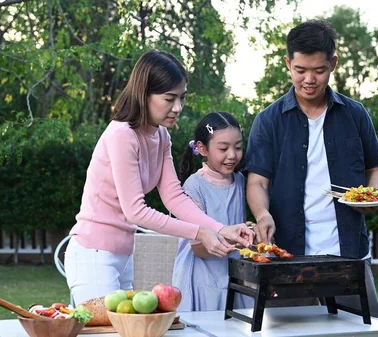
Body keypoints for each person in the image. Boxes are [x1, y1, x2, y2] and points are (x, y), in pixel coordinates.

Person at [64, 50, 254, 305]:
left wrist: (220, 229)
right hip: (93, 254)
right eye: (169, 98)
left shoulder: (161, 136)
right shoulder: (122, 134)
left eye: (182, 98)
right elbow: (136, 212)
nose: (178, 107)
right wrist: (199, 232)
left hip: (124, 254)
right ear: (144, 94)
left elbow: (174, 197)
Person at [244, 20, 378, 317]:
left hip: (348, 253)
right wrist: (262, 214)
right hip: (289, 257)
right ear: (288, 63)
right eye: (300, 70)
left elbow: (376, 169)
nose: (309, 79)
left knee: (361, 331)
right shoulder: (269, 120)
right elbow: (257, 182)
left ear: (333, 64)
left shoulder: (355, 114)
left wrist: (375, 196)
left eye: (319, 70)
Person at [172, 112, 255, 312]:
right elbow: (198, 248)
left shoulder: (241, 181)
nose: (232, 155)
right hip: (200, 279)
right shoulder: (195, 186)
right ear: (202, 148)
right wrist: (241, 239)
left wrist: (253, 231)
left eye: (238, 147)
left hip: (232, 274)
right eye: (223, 148)